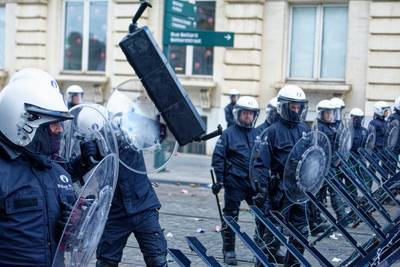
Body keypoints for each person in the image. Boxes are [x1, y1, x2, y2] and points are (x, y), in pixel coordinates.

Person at [70, 108, 169, 267]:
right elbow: (71, 175)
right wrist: (84, 159)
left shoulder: (128, 132)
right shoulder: (90, 146)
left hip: (143, 204)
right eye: (97, 135)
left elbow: (157, 135)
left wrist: (144, 124)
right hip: (114, 210)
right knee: (106, 261)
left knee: (157, 258)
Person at [0, 68, 76, 266]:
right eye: (53, 124)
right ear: (22, 122)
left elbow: (68, 244)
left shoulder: (60, 174)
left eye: (60, 123)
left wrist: (76, 225)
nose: (59, 130)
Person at [253, 85, 310, 266]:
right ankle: (261, 264)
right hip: (278, 192)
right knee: (271, 234)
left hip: (299, 191)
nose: (296, 110)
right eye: (292, 106)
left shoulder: (305, 130)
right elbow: (260, 165)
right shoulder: (272, 132)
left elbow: (312, 158)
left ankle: (292, 264)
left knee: (301, 233)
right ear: (283, 107)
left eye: (298, 106)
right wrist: (262, 191)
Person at [211, 96, 260, 265]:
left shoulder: (258, 133)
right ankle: (228, 250)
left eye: (251, 114)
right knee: (230, 217)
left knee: (263, 215)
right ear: (238, 114)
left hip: (254, 183)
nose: (248, 117)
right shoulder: (228, 135)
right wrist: (219, 180)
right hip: (235, 182)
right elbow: (218, 158)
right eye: (245, 113)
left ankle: (263, 248)